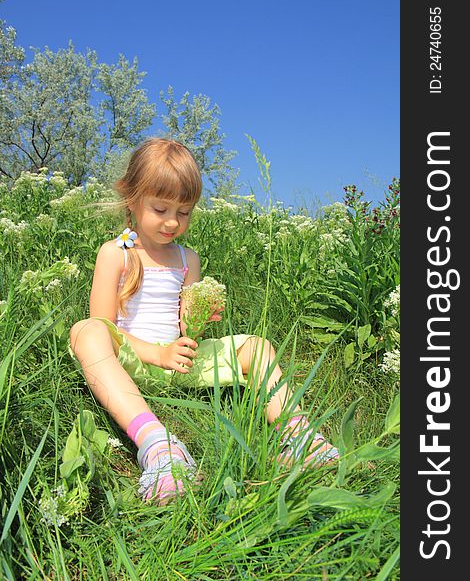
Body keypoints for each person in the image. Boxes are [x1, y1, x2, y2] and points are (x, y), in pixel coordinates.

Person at [69, 137, 338, 505]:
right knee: (87, 331)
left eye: (184, 212)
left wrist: (197, 320)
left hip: (179, 363)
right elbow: (106, 328)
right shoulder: (116, 253)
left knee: (257, 346)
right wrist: (157, 355)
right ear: (131, 197)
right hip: (130, 363)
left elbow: (184, 329)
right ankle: (158, 446)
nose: (172, 222)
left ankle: (303, 440)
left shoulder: (187, 258)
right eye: (161, 208)